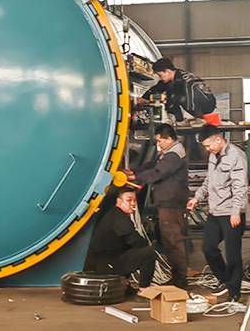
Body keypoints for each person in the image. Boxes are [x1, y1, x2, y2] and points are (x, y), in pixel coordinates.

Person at [187, 124, 247, 302]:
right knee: (208, 247)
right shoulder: (214, 155)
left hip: (231, 213)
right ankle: (225, 280)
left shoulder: (236, 156)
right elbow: (209, 180)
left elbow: (240, 186)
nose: (207, 149)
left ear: (218, 139)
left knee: (232, 253)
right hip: (215, 211)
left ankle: (234, 292)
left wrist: (236, 212)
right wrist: (197, 197)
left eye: (208, 145)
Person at [128, 124, 189, 289]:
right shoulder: (167, 152)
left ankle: (180, 280)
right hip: (166, 203)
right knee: (168, 239)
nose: (158, 144)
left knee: (173, 240)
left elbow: (158, 172)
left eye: (160, 141)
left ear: (169, 139)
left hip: (171, 204)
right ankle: (177, 277)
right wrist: (134, 172)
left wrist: (135, 177)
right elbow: (152, 166)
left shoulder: (174, 155)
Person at [85, 187, 156, 289]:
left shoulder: (113, 214)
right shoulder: (119, 218)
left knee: (132, 252)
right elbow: (136, 241)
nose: (133, 204)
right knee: (150, 253)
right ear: (119, 201)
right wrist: (152, 244)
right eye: (129, 200)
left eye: (134, 200)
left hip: (105, 262)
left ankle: (126, 285)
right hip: (106, 266)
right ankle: (144, 289)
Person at [140, 58, 215, 122]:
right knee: (171, 96)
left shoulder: (181, 81)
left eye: (160, 75)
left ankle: (182, 121)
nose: (160, 78)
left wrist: (197, 117)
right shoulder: (178, 75)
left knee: (172, 98)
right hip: (207, 103)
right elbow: (158, 87)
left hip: (204, 106)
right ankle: (183, 120)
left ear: (168, 71)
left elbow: (174, 100)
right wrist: (144, 98)